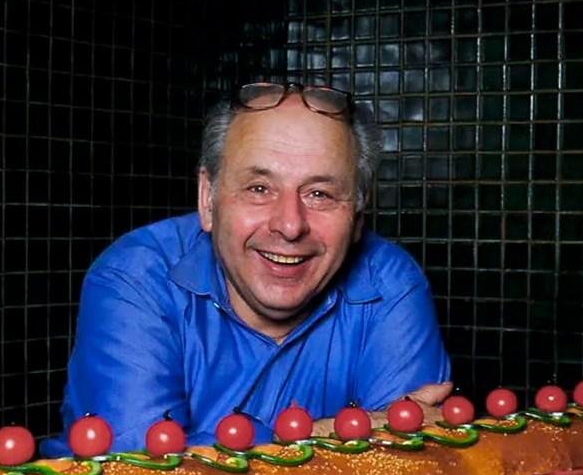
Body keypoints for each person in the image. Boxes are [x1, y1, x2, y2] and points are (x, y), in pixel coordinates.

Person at [42, 82, 451, 455]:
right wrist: (328, 433)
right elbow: (137, 474)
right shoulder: (134, 278)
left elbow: (406, 471)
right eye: (259, 189)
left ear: (358, 215)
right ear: (208, 199)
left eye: (320, 193)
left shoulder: (391, 284)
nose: (290, 225)